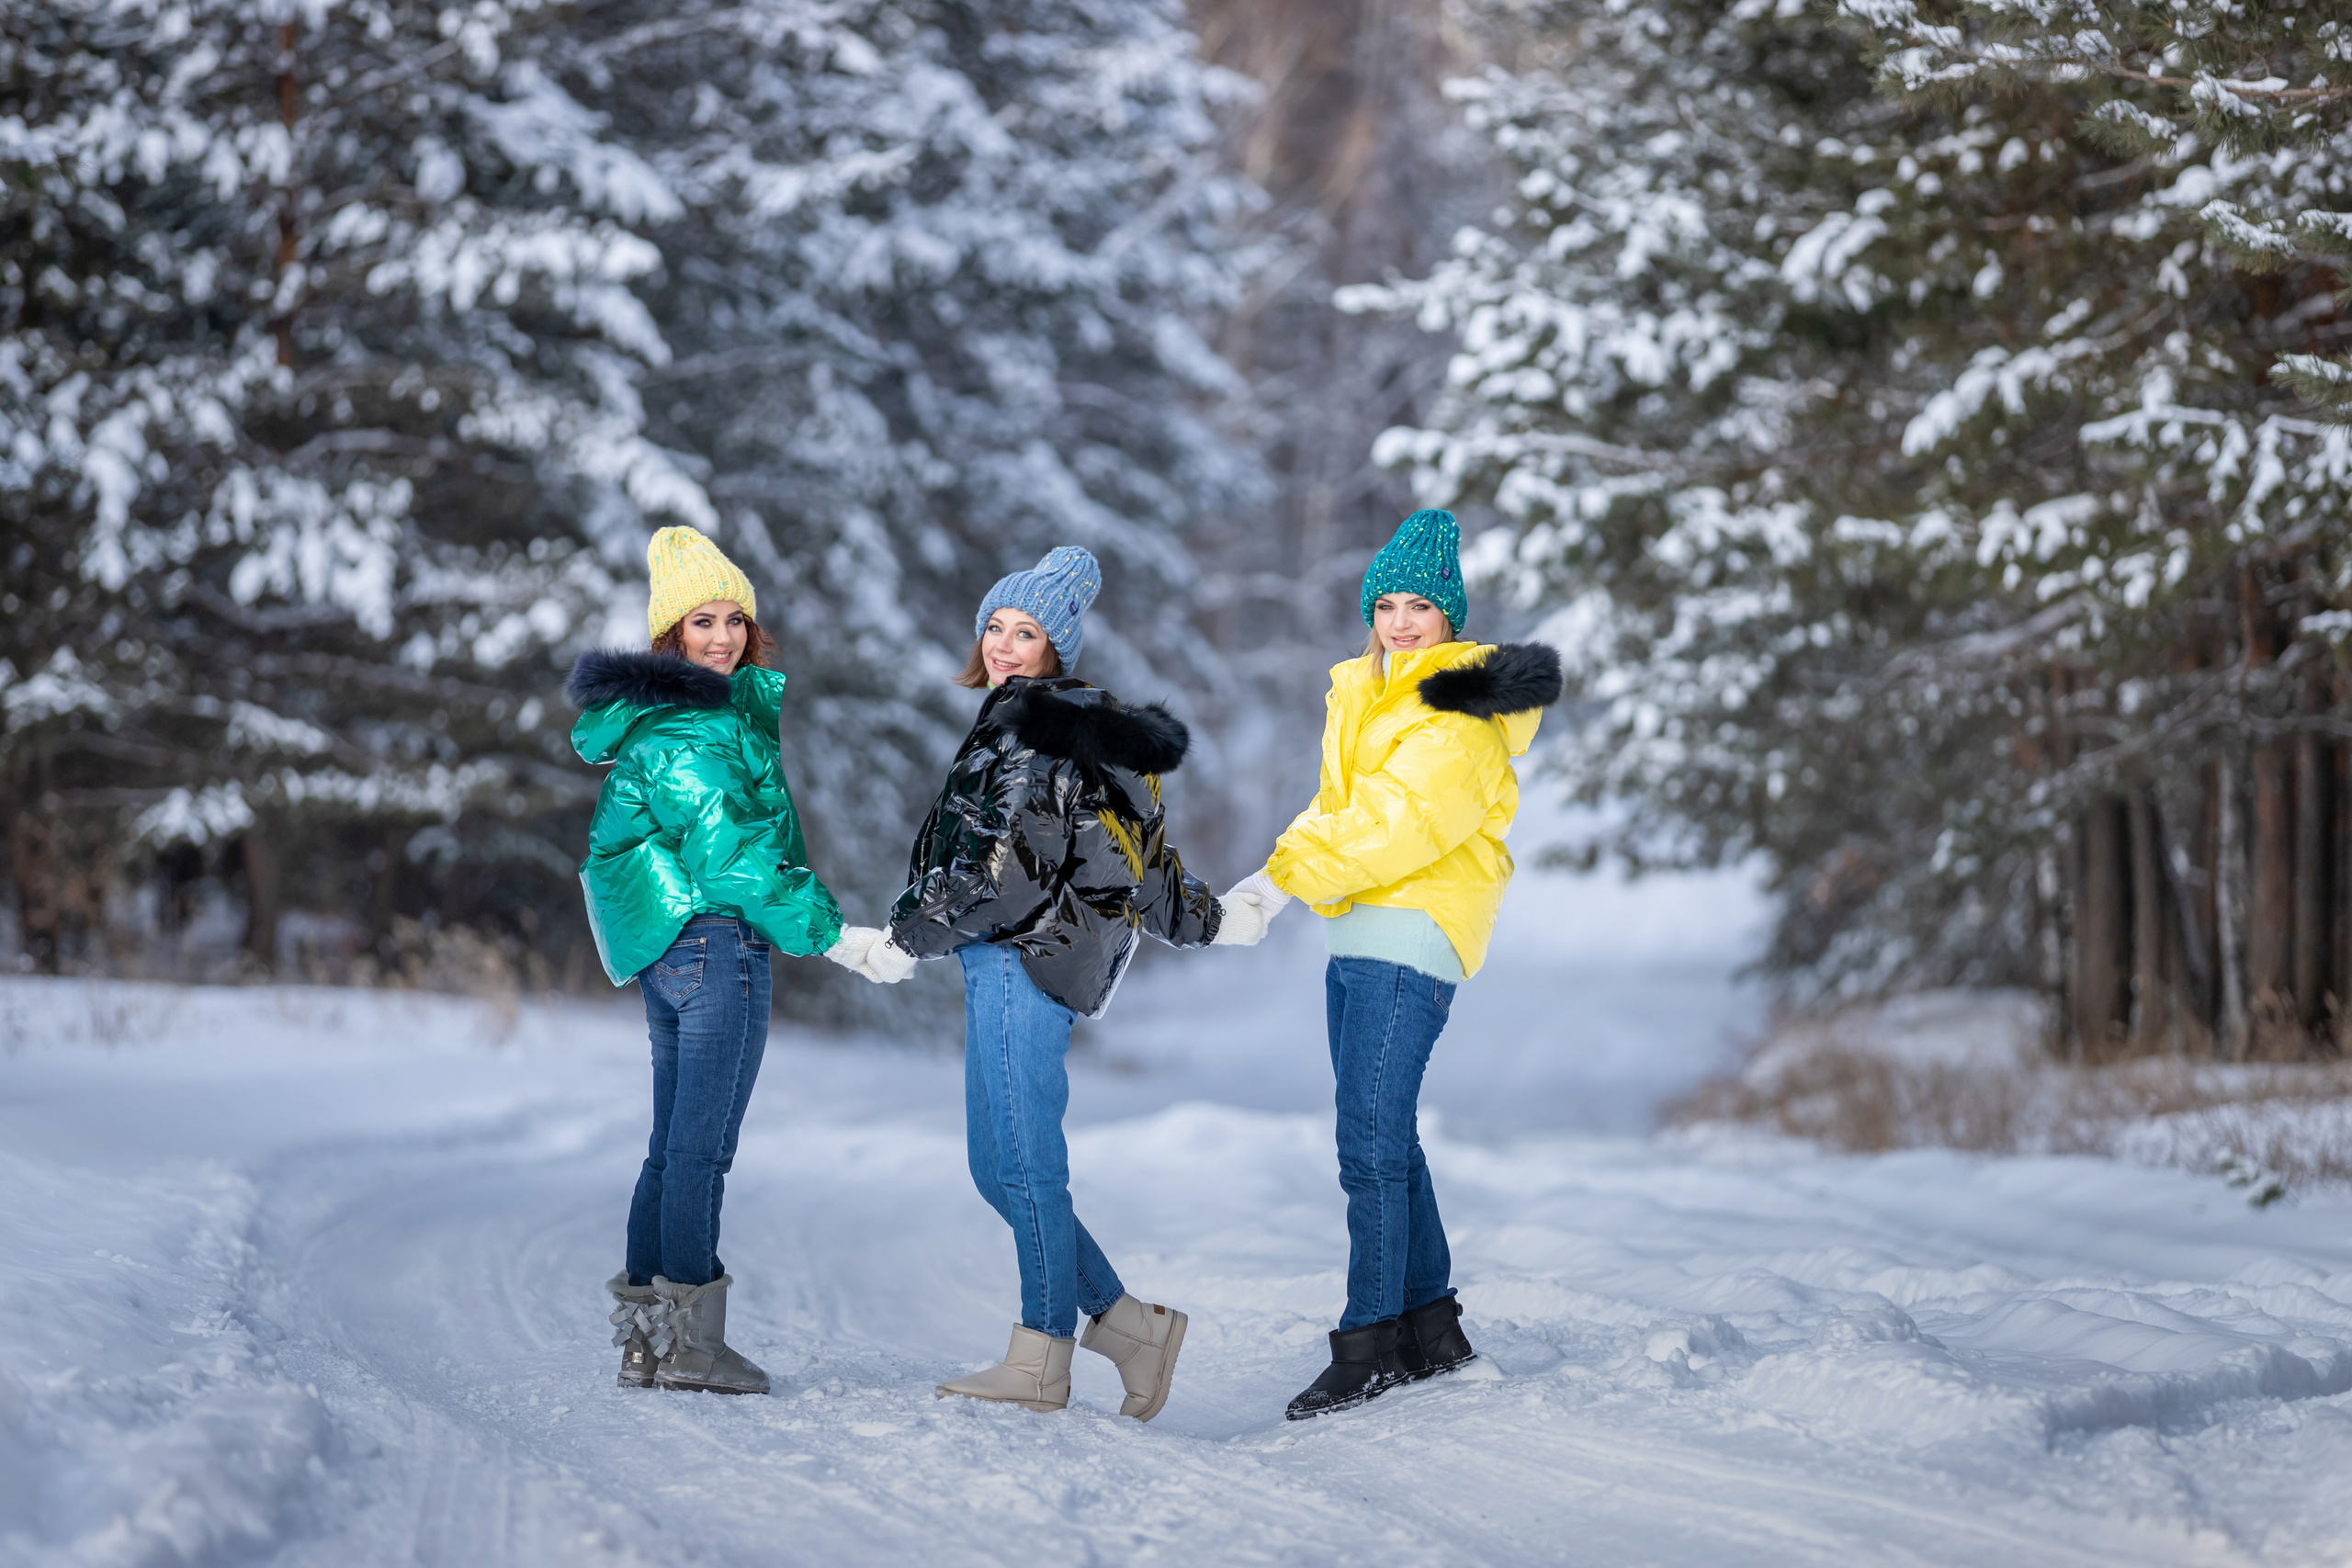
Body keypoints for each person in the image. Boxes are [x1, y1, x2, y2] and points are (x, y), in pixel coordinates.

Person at [853, 546, 1269, 1419]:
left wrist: (905, 937)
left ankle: (1042, 1356)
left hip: (1017, 956)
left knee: (1027, 1166)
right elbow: (1141, 870)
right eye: (996, 626)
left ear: (1057, 645)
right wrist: (1211, 919)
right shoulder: (1076, 731)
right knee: (995, 1166)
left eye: (1026, 631)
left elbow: (1005, 876)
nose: (1004, 644)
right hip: (1026, 959)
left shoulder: (1034, 731)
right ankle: (1129, 1326)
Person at [1224, 509, 1561, 1420]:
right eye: (1387, 603)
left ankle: (1367, 1344)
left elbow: (1395, 829)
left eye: (1421, 605)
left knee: (1366, 1146)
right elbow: (1336, 807)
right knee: (1387, 1135)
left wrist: (1282, 883)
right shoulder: (1369, 688)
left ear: (1452, 619)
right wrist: (1266, 877)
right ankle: (1429, 1327)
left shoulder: (1457, 710)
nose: (1402, 620)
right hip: (1360, 930)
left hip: (1413, 930)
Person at [568, 525, 884, 1395]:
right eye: (701, 621)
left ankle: (647, 1340)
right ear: (669, 635)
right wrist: (835, 935)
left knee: (671, 1148)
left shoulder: (670, 718)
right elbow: (736, 861)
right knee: (699, 1152)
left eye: (734, 618)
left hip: (675, 950)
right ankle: (692, 1349)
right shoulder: (695, 727)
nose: (722, 637)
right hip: (714, 944)